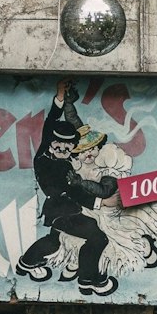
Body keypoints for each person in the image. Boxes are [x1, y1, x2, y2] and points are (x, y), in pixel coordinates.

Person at [15, 81, 121, 295]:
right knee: (97, 238)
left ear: (73, 147)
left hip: (61, 210)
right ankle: (89, 280)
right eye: (57, 145)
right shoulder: (47, 162)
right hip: (62, 210)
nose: (62, 149)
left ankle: (26, 263)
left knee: (54, 241)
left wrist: (61, 99)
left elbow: (53, 121)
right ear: (50, 145)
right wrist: (103, 202)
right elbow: (74, 192)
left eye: (68, 146)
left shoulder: (57, 158)